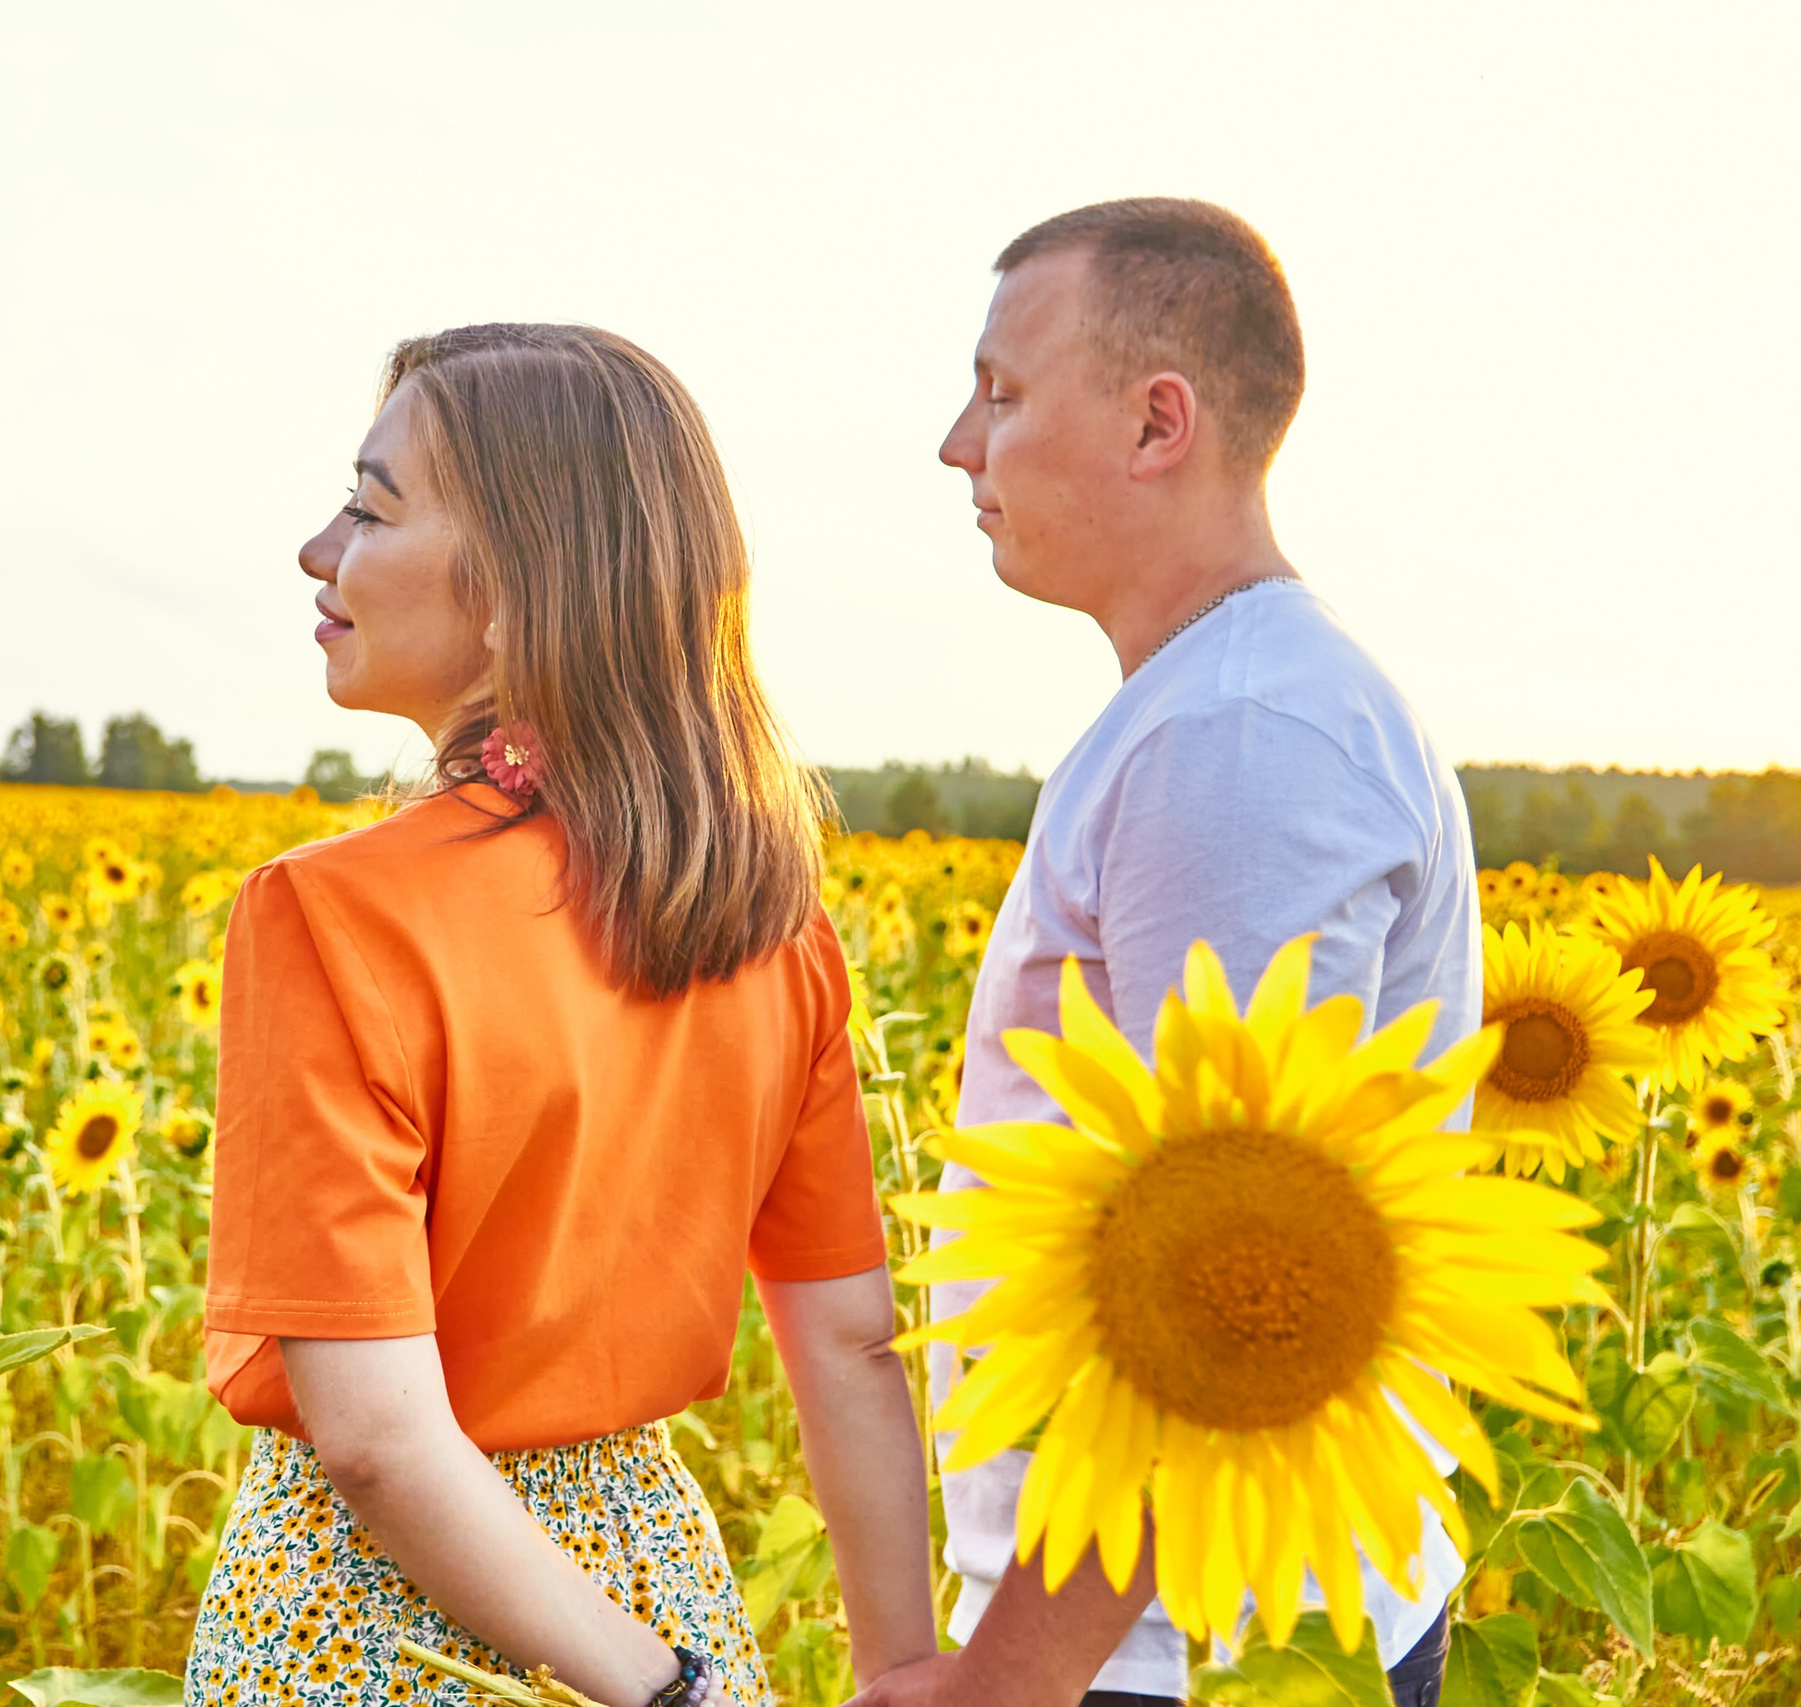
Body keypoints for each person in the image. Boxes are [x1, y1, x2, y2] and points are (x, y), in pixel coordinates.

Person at [185, 322, 939, 1707]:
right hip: (650, 1570)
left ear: (522, 590)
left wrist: (660, 1695)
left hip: (372, 1618)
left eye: (368, 505)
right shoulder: (774, 928)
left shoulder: (332, 915)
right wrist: (900, 1666)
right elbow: (844, 1336)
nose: (317, 549)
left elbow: (378, 1440)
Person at [849, 200, 1474, 1707]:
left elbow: (1231, 1291)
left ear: (1157, 423)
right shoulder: (1232, 702)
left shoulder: (1237, 739)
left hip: (1190, 1647)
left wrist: (1006, 1683)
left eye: (1001, 391)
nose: (958, 442)